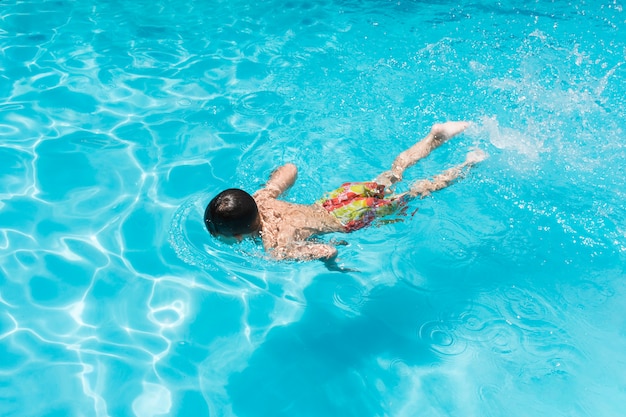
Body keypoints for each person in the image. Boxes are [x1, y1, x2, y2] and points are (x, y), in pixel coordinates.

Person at [204, 121, 486, 261]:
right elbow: (290, 168)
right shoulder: (262, 199)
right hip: (337, 199)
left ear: (238, 236)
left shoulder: (275, 247)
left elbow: (326, 250)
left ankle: (468, 164)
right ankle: (435, 137)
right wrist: (272, 185)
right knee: (392, 175)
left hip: (348, 219)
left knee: (416, 192)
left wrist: (332, 261)